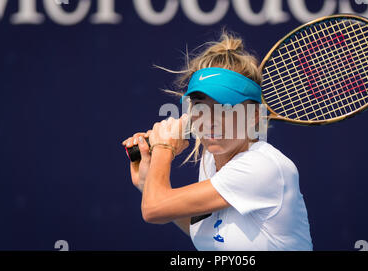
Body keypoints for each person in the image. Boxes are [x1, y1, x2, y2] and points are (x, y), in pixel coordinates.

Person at [122, 31, 313, 251]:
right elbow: (211, 236)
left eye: (226, 108)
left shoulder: (262, 166)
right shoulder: (211, 160)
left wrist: (164, 148)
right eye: (201, 106)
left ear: (254, 116)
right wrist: (149, 185)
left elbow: (154, 210)